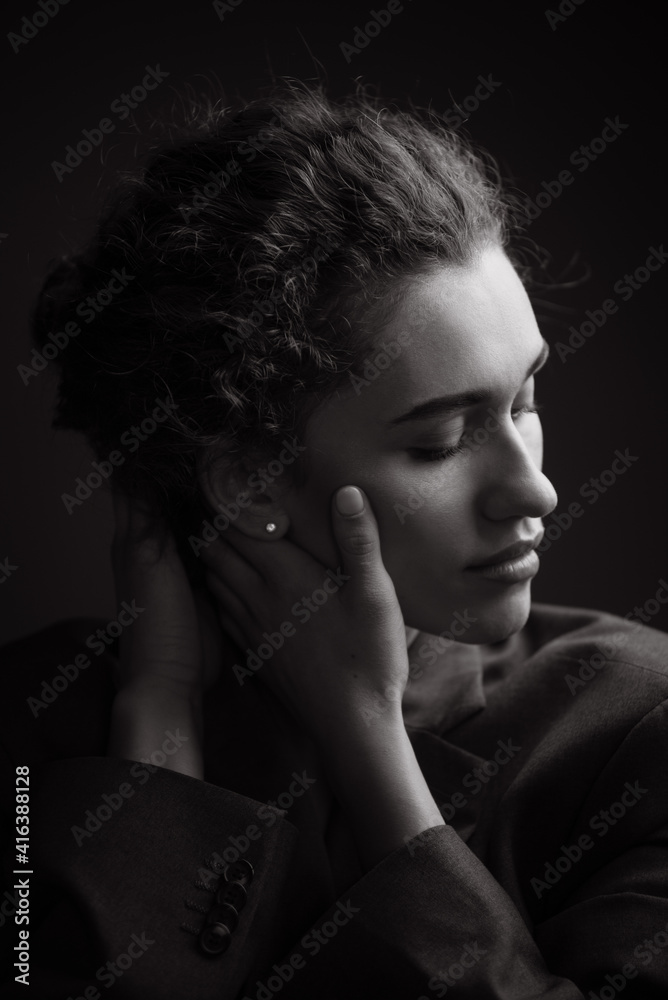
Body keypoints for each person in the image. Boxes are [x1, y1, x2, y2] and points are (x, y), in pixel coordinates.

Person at [2, 81, 668, 999]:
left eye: (526, 400)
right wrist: (155, 723)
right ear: (248, 481)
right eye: (441, 440)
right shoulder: (35, 733)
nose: (537, 487)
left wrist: (368, 744)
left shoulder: (640, 726)